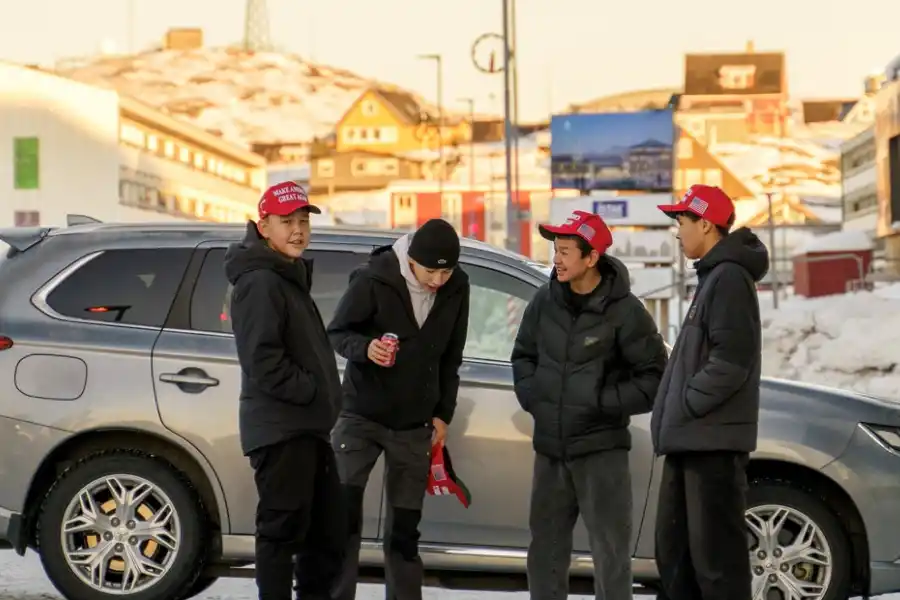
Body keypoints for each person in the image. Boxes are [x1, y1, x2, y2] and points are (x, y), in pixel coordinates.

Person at [511, 210, 667, 600]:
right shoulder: (544, 301)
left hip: (601, 452)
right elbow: (523, 355)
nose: (557, 259)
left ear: (592, 257)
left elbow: (653, 378)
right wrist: (535, 398)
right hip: (550, 450)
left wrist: (601, 403)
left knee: (610, 554)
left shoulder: (626, 312)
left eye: (565, 251)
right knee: (544, 551)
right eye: (556, 250)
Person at [326, 218, 470, 600]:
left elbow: (451, 356)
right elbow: (339, 333)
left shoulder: (458, 287)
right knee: (343, 521)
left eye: (446, 271)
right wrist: (367, 349)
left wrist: (442, 414)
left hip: (413, 425)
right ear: (411, 261)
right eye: (431, 271)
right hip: (360, 417)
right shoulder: (374, 278)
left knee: (405, 531)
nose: (438, 280)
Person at [225, 181, 345, 600]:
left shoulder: (286, 275)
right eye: (286, 222)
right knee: (282, 531)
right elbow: (263, 361)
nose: (298, 230)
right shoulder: (260, 281)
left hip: (306, 427)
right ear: (264, 226)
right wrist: (313, 391)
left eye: (303, 221)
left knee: (325, 534)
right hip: (282, 430)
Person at [651, 184, 769, 600]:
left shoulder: (730, 278)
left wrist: (686, 405)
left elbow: (731, 362)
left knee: (716, 563)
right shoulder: (714, 276)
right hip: (693, 441)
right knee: (677, 555)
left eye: (681, 222)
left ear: (705, 223)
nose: (677, 232)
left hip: (711, 444)